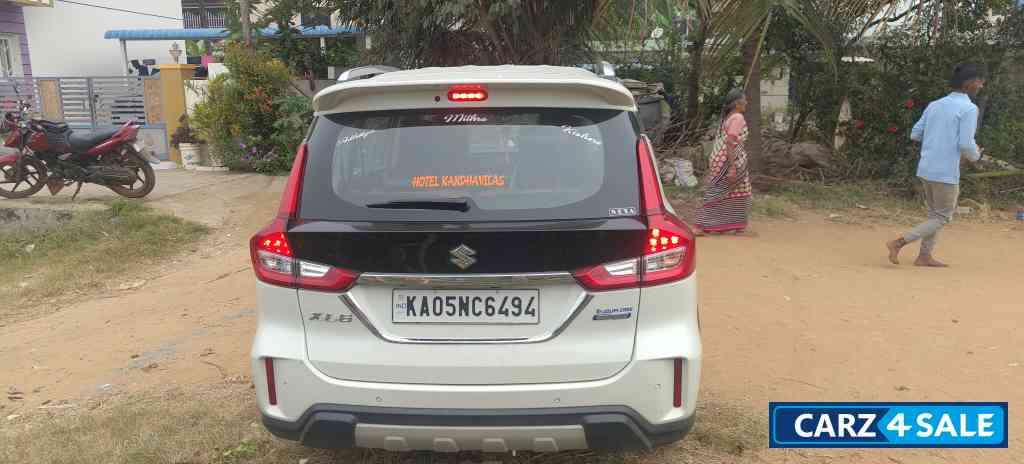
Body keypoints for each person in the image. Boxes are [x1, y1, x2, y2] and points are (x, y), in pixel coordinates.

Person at [886, 63, 985, 267]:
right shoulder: (968, 108)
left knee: (934, 215)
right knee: (943, 217)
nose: (981, 85)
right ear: (969, 84)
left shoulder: (935, 104)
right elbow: (966, 144)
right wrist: (977, 157)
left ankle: (924, 256)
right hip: (945, 171)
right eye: (979, 81)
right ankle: (899, 242)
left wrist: (938, 140)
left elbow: (915, 134)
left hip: (926, 168)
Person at [695, 89, 752, 235]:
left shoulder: (728, 117)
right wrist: (732, 167)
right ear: (737, 104)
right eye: (744, 100)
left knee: (727, 189)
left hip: (720, 158)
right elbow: (730, 142)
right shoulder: (738, 117)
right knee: (727, 189)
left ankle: (728, 224)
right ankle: (703, 225)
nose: (746, 102)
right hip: (728, 159)